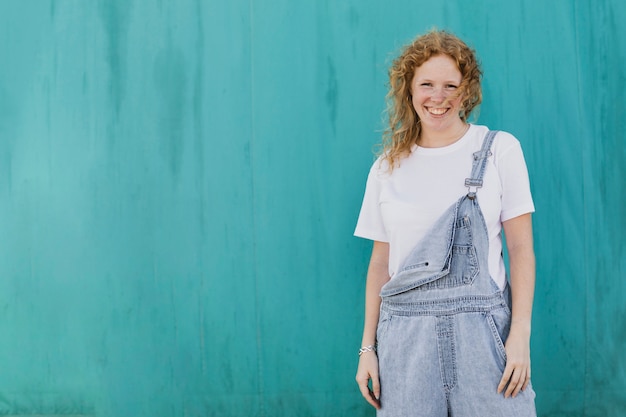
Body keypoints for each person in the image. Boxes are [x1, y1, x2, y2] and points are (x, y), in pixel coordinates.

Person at [354, 30, 537, 416]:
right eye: (427, 85)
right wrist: (367, 349)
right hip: (405, 340)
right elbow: (379, 266)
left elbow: (521, 248)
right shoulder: (386, 168)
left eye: (450, 85)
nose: (438, 97)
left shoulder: (500, 149)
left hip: (484, 338)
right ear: (408, 89)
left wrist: (520, 331)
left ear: (466, 90)